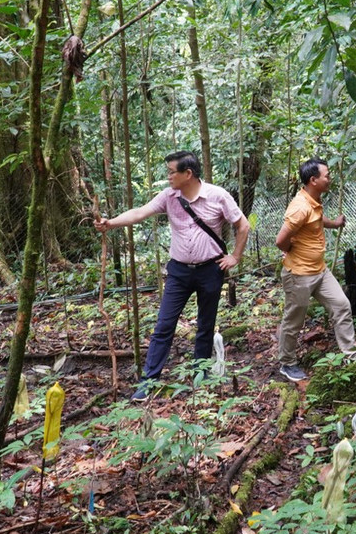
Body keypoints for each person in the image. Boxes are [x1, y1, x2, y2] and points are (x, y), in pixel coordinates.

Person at [94, 150, 250, 401]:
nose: (168, 177)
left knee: (205, 323)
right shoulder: (169, 196)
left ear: (188, 174)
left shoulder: (218, 196)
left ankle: (201, 375)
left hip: (211, 268)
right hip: (179, 271)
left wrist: (235, 257)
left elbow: (243, 225)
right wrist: (111, 222)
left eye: (171, 172)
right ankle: (148, 382)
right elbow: (140, 212)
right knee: (164, 325)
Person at [275, 158, 356, 382]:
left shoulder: (313, 201)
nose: (329, 179)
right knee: (294, 320)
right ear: (313, 180)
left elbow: (317, 221)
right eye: (327, 175)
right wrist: (292, 250)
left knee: (341, 305)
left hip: (320, 271)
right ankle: (287, 363)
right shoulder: (300, 207)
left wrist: (336, 223)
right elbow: (281, 240)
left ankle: (350, 354)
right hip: (299, 275)